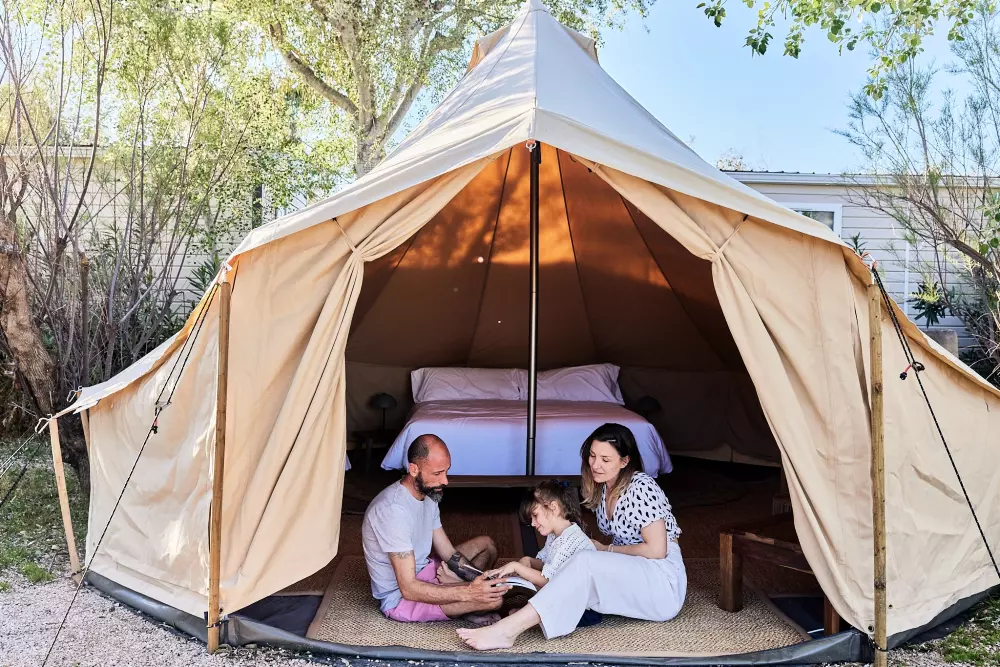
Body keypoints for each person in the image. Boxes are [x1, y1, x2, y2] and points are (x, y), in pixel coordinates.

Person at [457, 423, 686, 649]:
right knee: (573, 570)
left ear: (624, 461)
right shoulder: (604, 487)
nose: (596, 465)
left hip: (661, 581)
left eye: (605, 459)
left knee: (585, 561)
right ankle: (508, 615)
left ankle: (508, 630)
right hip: (635, 569)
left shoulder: (641, 486)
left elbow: (657, 551)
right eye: (592, 456)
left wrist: (605, 550)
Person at [362, 434, 512, 624]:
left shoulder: (429, 494)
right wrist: (469, 591)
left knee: (487, 545)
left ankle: (466, 602)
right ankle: (468, 606)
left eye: (446, 471)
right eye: (437, 473)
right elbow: (408, 588)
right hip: (402, 598)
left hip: (428, 571)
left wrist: (483, 580)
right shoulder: (392, 511)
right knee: (494, 601)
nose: (445, 481)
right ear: (414, 469)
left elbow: (448, 553)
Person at [483, 480, 595, 590]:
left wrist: (516, 567)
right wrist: (528, 560)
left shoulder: (570, 541)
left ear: (554, 508)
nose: (532, 523)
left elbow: (549, 581)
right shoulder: (555, 535)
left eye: (535, 515)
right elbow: (547, 565)